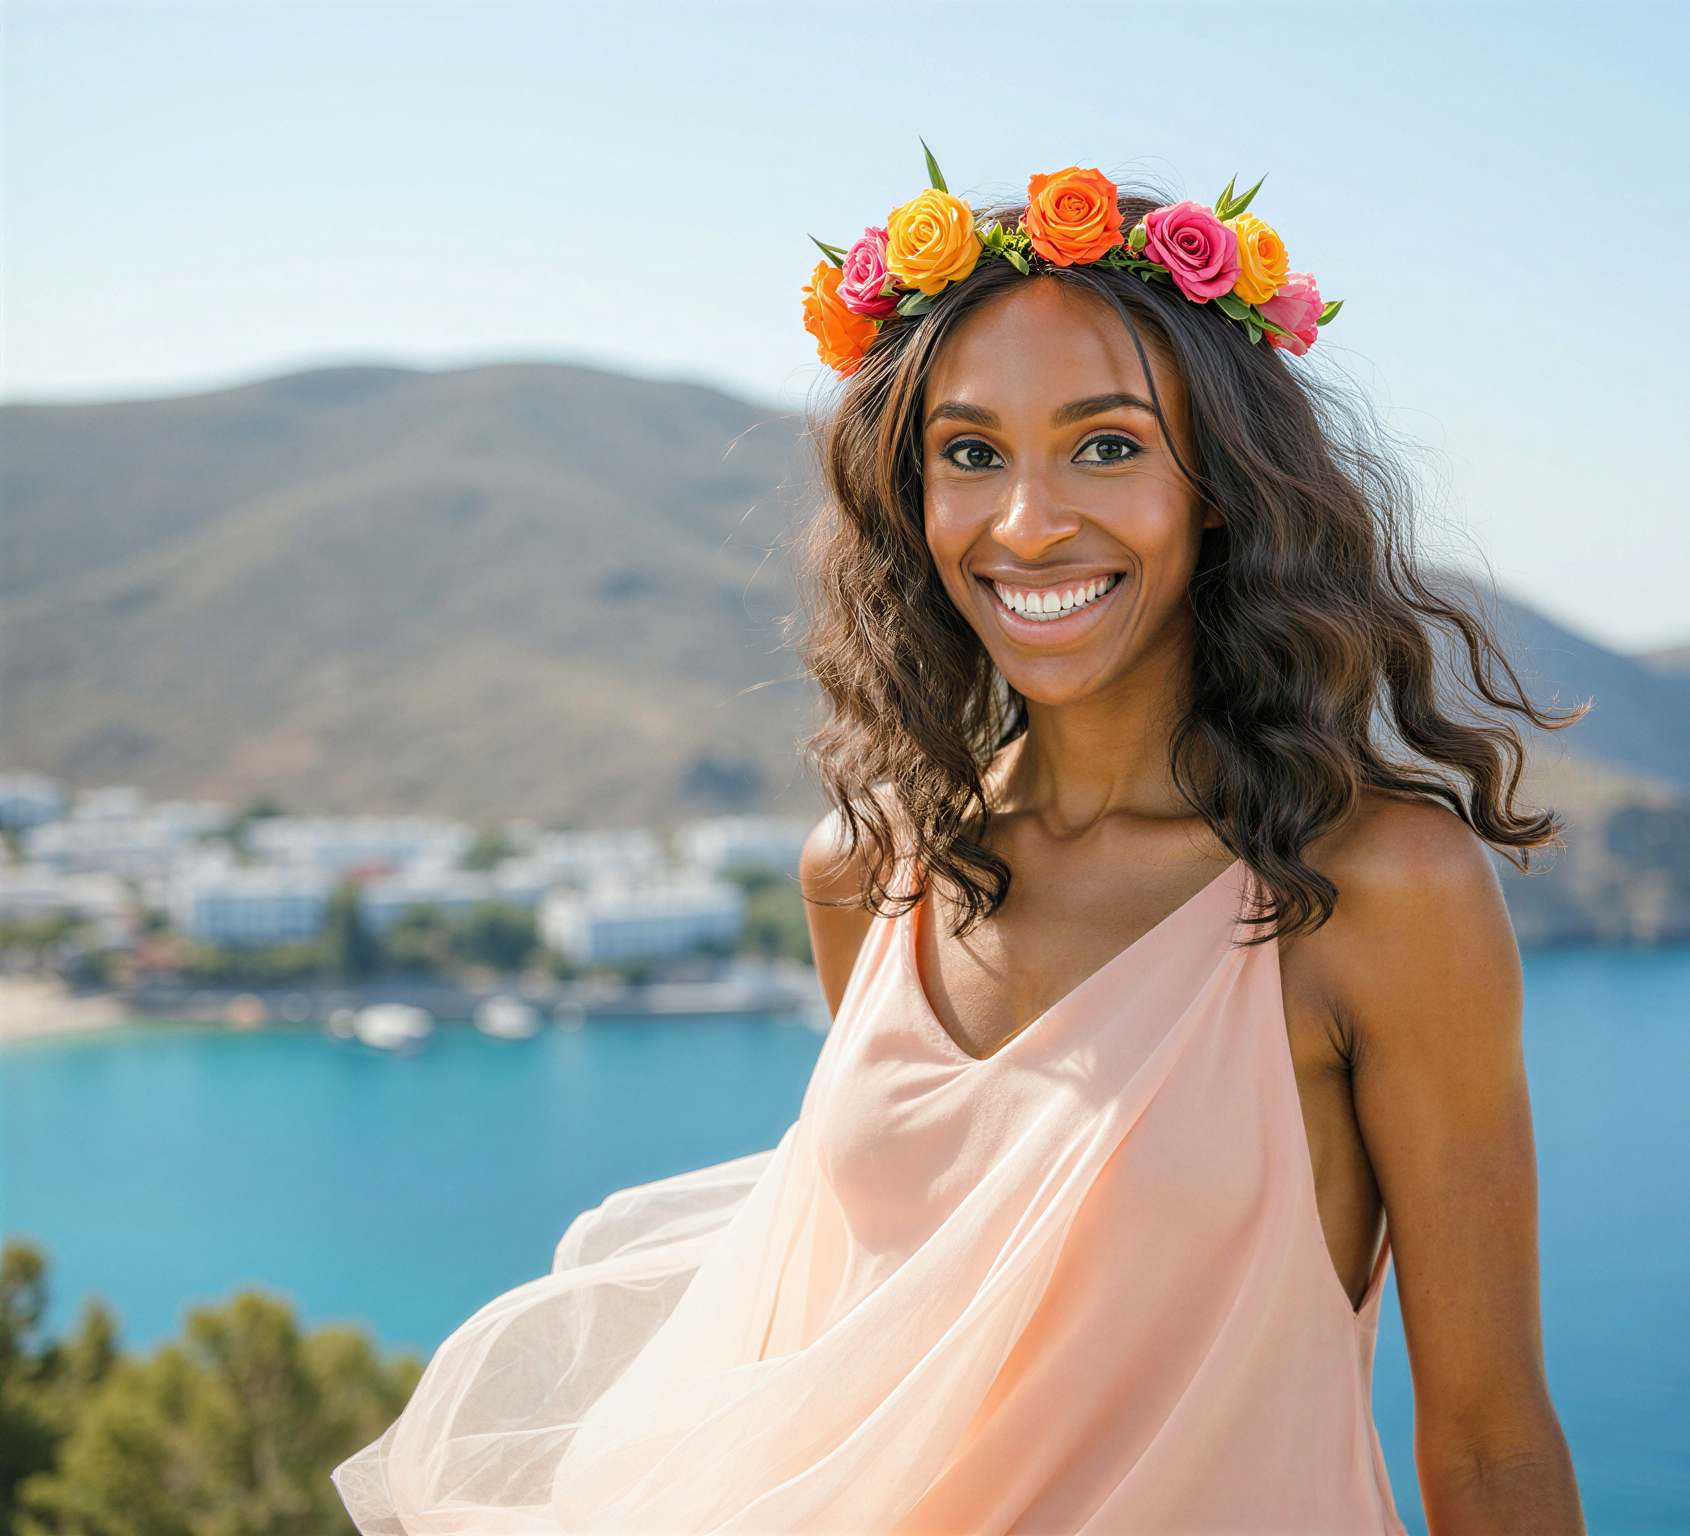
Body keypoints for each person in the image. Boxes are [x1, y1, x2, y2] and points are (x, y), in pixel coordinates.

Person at [336, 158, 1584, 1536]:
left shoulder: (1376, 893)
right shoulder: (865, 876)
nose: (1028, 521)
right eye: (970, 453)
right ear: (912, 501)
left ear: (1218, 489)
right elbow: (869, 1335)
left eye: (1107, 444)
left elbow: (1488, 1442)